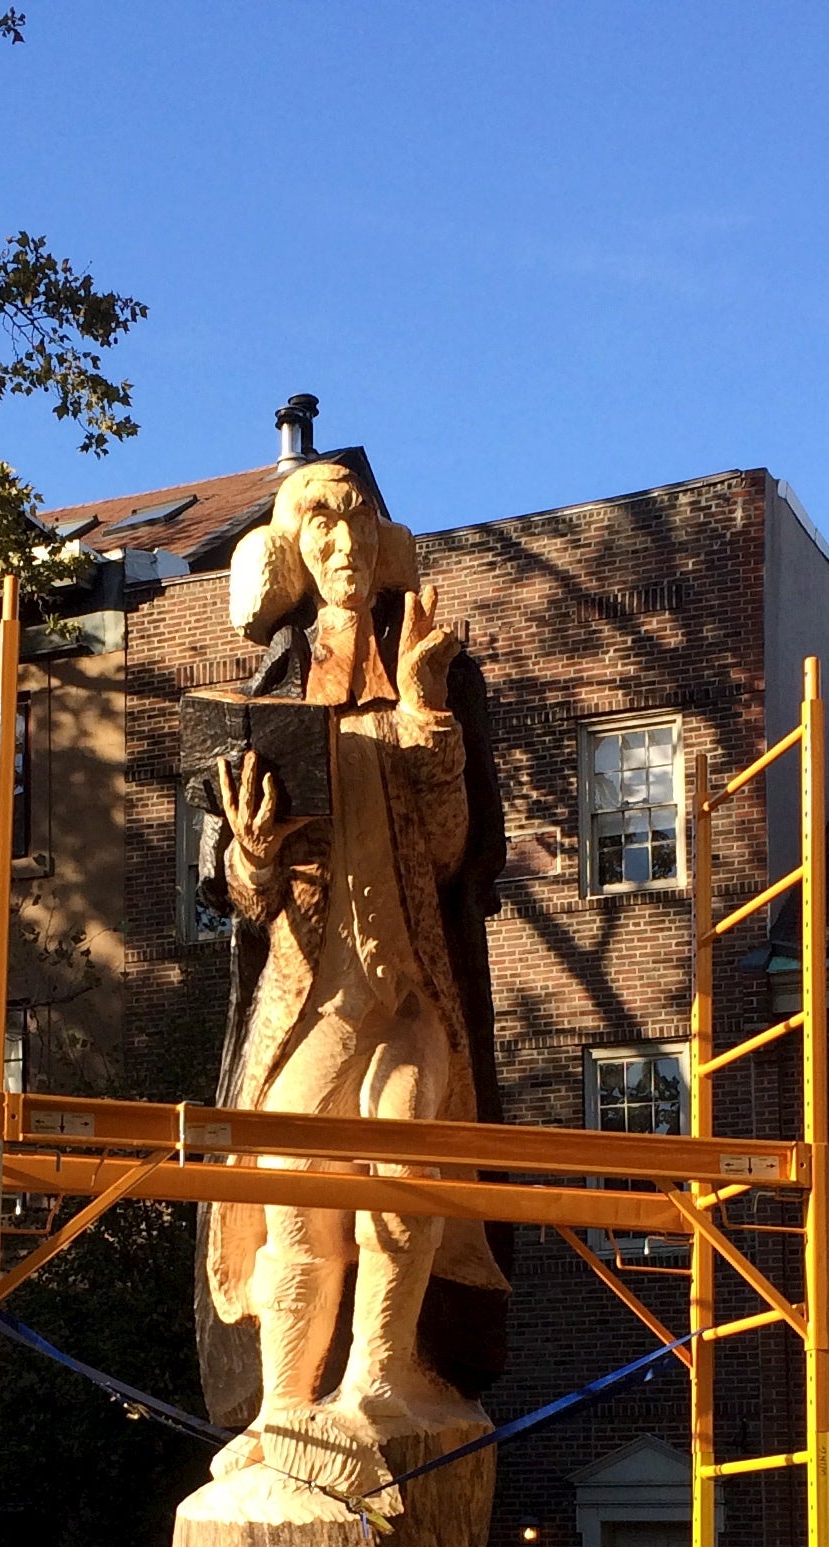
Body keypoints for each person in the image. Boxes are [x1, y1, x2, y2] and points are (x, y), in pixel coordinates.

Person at [201, 459, 509, 1479]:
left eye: (357, 519)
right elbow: (240, 884)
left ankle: (378, 1377)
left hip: (411, 987)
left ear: (382, 539)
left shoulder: (424, 665)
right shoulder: (278, 681)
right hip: (311, 998)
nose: (340, 540)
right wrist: (248, 852)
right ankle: (288, 1404)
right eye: (317, 520)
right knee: (292, 1184)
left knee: (405, 1171)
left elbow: (453, 848)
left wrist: (427, 714)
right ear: (292, 545)